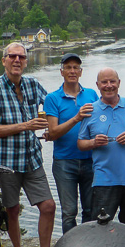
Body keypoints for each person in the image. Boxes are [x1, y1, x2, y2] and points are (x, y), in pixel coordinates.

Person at [0, 42, 56, 247]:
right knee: (12, 209)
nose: (17, 60)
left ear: (26, 61)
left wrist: (54, 126)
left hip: (32, 158)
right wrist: (26, 125)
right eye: (12, 56)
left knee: (48, 206)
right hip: (7, 163)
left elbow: (54, 105)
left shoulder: (32, 84)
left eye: (21, 57)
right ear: (3, 60)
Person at [77, 68, 125, 228]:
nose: (109, 85)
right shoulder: (90, 110)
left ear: (119, 83)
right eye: (104, 82)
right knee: (100, 227)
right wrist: (93, 142)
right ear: (98, 85)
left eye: (112, 81)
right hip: (104, 180)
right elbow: (81, 143)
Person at [44, 53, 98, 234]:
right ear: (62, 72)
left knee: (90, 210)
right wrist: (77, 117)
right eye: (68, 67)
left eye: (76, 67)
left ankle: (87, 246)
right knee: (69, 213)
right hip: (64, 163)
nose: (72, 71)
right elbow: (53, 132)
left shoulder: (91, 94)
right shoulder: (52, 98)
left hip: (90, 160)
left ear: (81, 72)